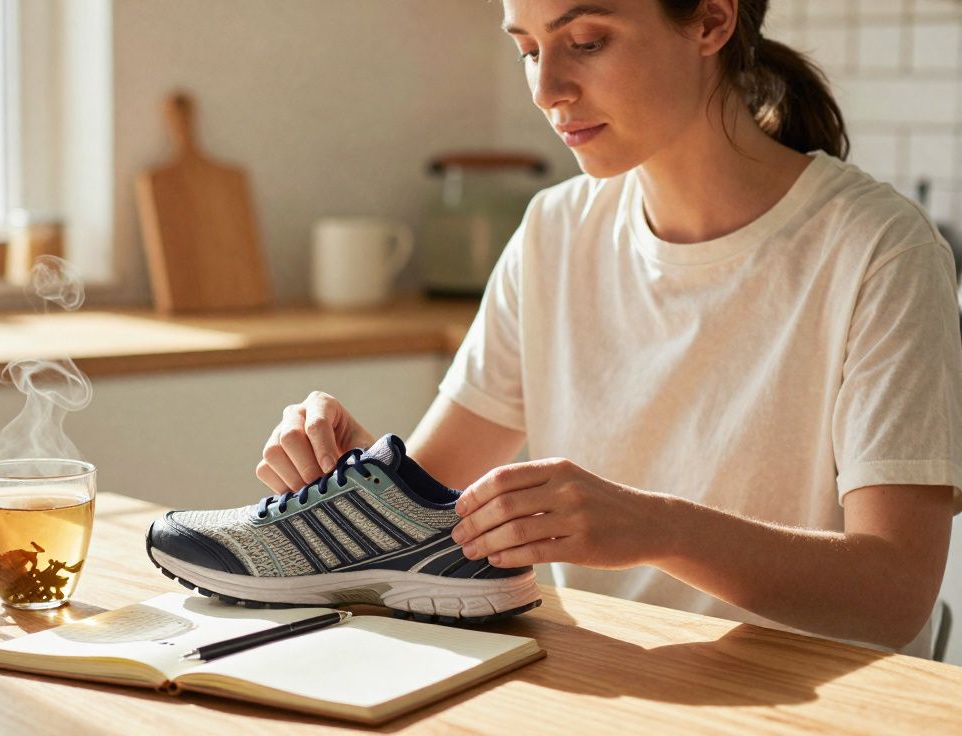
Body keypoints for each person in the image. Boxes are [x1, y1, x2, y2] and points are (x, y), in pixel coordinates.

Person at [256, 0, 962, 657]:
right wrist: (356, 471)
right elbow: (429, 501)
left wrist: (658, 529)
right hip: (608, 688)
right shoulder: (554, 232)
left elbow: (894, 593)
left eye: (585, 42)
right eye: (528, 50)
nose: (547, 89)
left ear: (712, 20)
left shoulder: (881, 251)